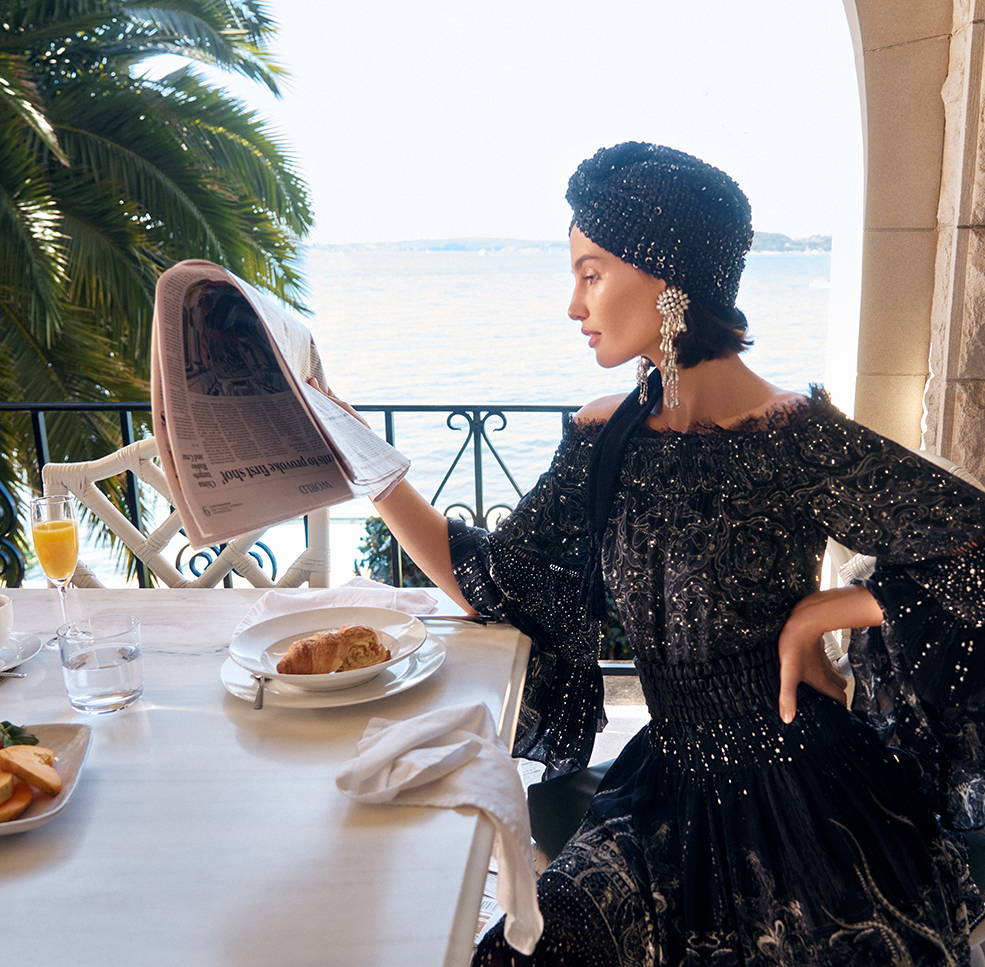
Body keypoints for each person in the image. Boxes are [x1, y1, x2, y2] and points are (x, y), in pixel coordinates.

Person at [330, 142, 985, 964]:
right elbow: (498, 580)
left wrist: (832, 608)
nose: (573, 303)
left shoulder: (791, 437)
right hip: (661, 790)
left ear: (668, 280)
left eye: (591, 271)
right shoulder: (604, 437)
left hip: (803, 800)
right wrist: (366, 462)